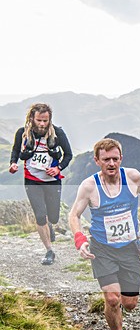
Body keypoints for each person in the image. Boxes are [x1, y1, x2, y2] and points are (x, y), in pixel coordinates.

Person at [68, 138, 140, 330]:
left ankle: (118, 307)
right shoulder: (89, 187)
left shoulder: (133, 177)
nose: (111, 163)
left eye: (115, 159)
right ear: (97, 160)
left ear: (121, 159)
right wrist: (80, 240)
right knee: (112, 298)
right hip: (102, 249)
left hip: (129, 247)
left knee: (130, 303)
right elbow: (74, 215)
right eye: (106, 159)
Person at [9, 103, 73, 265]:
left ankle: (49, 225)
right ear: (32, 118)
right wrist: (13, 163)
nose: (43, 124)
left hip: (52, 181)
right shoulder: (22, 133)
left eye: (46, 120)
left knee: (53, 216)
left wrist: (58, 168)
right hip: (32, 181)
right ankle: (49, 251)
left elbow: (68, 155)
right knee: (39, 215)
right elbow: (16, 150)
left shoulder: (58, 133)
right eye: (39, 120)